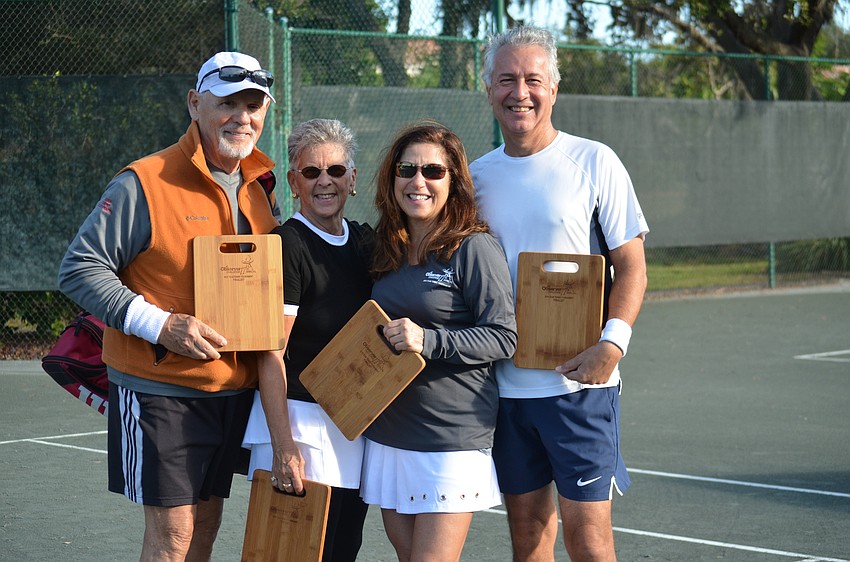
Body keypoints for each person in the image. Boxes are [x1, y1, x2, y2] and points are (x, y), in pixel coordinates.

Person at [57, 51, 293, 561]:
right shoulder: (144, 181)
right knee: (175, 535)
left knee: (206, 526)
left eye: (254, 104)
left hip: (231, 390)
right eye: (228, 101)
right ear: (194, 104)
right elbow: (79, 267)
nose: (243, 116)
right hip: (159, 389)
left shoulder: (260, 187)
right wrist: (161, 325)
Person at [470, 26, 650, 562]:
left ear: (554, 87)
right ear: (489, 90)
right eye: (506, 79)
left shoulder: (595, 161)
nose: (519, 92)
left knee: (589, 542)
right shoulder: (474, 177)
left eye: (532, 79)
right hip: (503, 392)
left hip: (580, 392)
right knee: (527, 539)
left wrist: (611, 346)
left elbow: (632, 266)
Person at [360, 120, 518, 562]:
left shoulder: (473, 248)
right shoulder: (386, 248)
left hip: (450, 440)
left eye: (433, 171)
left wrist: (427, 340)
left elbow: (503, 337)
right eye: (406, 169)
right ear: (392, 178)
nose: (418, 182)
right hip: (389, 433)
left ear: (454, 181)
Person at [241, 118, 373, 562]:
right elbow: (270, 353)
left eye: (336, 171)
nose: (325, 182)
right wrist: (284, 447)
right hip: (300, 426)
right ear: (294, 182)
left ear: (352, 180)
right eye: (311, 172)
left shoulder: (365, 243)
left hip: (351, 425)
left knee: (342, 549)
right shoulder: (287, 244)